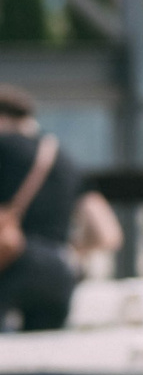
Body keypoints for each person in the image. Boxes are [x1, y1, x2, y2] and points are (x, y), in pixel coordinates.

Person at [0, 85, 122, 330]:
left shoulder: (4, 149)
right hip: (60, 273)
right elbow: (108, 234)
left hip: (11, 264)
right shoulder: (67, 160)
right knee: (40, 359)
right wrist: (66, 250)